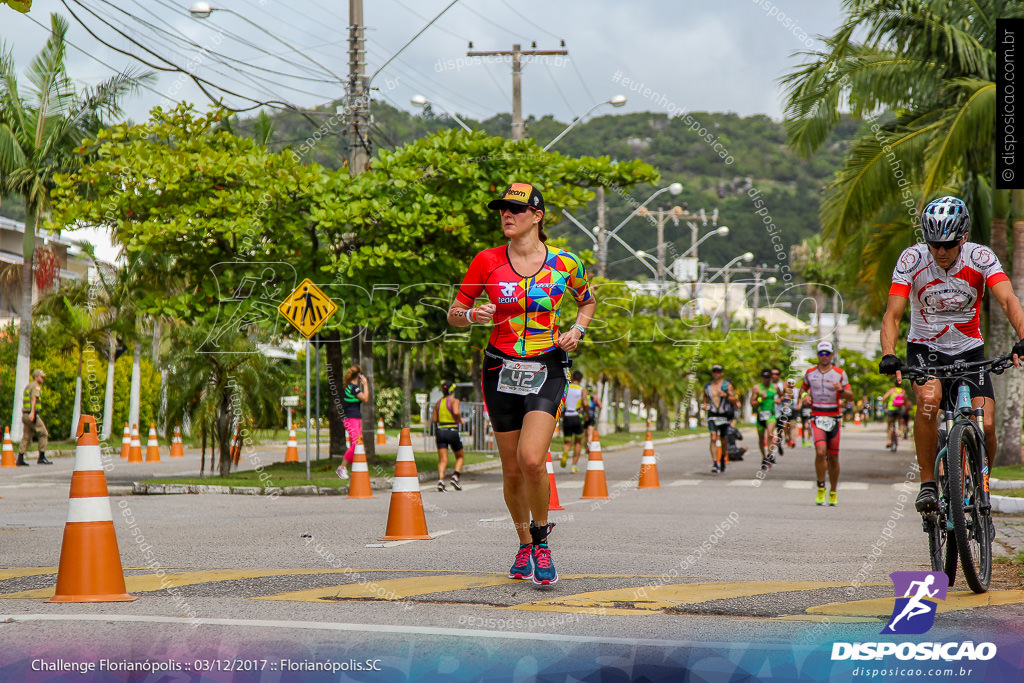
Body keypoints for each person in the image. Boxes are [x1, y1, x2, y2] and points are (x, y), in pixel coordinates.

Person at [447, 182, 594, 586]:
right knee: (511, 471)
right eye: (502, 210)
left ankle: (542, 540)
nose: (506, 216)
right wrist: (473, 315)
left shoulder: (566, 263)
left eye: (515, 209)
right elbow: (454, 313)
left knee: (532, 458)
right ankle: (523, 543)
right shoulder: (486, 261)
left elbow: (588, 301)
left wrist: (577, 331)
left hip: (547, 365)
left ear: (537, 216)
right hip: (499, 368)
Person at [879, 196, 1024, 515]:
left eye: (948, 245)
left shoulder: (981, 258)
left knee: (986, 425)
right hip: (925, 350)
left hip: (969, 350)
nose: (941, 252)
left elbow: (1008, 300)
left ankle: (982, 486)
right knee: (928, 402)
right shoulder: (911, 259)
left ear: (964, 238)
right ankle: (928, 484)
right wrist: (889, 353)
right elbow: (893, 314)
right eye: (934, 245)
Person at [801, 341, 852, 506]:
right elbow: (802, 390)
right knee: (820, 451)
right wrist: (804, 397)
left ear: (831, 355)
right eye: (821, 354)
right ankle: (821, 486)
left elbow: (850, 396)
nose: (824, 356)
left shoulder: (840, 373)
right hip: (817, 416)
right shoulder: (809, 373)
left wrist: (842, 390)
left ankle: (833, 491)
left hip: (834, 417)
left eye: (827, 354)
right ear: (818, 355)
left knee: (834, 457)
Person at [703, 364, 739, 473]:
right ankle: (715, 462)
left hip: (724, 415)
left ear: (722, 373)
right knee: (713, 437)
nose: (716, 373)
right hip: (712, 414)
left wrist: (726, 396)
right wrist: (704, 405)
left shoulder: (727, 386)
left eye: (718, 371)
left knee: (723, 440)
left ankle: (723, 458)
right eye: (714, 371)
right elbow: (704, 398)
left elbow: (735, 401)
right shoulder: (707, 386)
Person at [338, 365, 369, 480]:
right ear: (359, 376)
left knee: (354, 445)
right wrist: (365, 384)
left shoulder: (349, 387)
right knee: (357, 444)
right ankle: (342, 467)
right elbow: (365, 399)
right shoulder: (353, 388)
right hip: (352, 419)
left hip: (352, 419)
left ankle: (354, 470)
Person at [433, 381, 465, 492]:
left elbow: (435, 420)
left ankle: (441, 481)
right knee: (460, 456)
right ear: (452, 391)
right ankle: (455, 477)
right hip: (452, 430)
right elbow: (456, 412)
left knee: (443, 460)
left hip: (440, 431)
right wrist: (460, 419)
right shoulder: (454, 401)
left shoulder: (438, 403)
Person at [17, 369, 51, 466]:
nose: (43, 378)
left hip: (25, 414)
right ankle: (42, 457)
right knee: (43, 433)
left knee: (26, 436)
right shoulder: (36, 386)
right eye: (41, 376)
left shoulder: (29, 385)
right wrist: (33, 412)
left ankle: (20, 458)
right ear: (36, 377)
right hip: (31, 414)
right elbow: (33, 398)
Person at [560, 371, 588, 473]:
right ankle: (574, 466)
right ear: (581, 380)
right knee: (578, 442)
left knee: (567, 442)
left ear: (572, 377)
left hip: (567, 417)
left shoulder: (566, 387)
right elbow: (585, 403)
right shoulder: (582, 390)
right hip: (576, 417)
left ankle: (565, 452)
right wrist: (587, 413)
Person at [750, 369, 778, 469]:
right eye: (764, 377)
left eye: (768, 378)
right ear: (761, 378)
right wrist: (761, 398)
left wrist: (779, 400)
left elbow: (782, 397)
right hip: (761, 415)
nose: (766, 380)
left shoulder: (774, 387)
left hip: (771, 415)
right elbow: (752, 403)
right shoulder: (757, 388)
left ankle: (769, 456)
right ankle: (764, 457)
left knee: (770, 434)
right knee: (761, 438)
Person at [582, 382, 603, 453]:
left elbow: (581, 408)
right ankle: (589, 445)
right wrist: (596, 406)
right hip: (591, 416)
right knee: (590, 433)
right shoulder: (594, 397)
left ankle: (586, 448)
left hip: (584, 416)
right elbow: (601, 406)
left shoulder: (583, 397)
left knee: (585, 434)